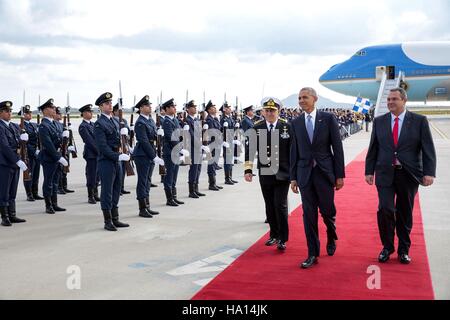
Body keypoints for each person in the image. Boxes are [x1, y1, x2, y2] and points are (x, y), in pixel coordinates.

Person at [365, 87, 436, 264]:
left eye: (394, 99)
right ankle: (387, 247)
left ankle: (404, 249)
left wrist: (429, 173)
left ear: (404, 101)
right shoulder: (379, 121)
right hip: (384, 173)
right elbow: (373, 147)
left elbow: (428, 148)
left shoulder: (419, 121)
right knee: (385, 209)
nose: (390, 102)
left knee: (405, 212)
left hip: (409, 174)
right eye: (388, 100)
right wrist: (368, 170)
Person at [290, 87, 345, 269]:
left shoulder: (328, 119)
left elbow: (337, 148)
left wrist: (339, 175)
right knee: (309, 214)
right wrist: (293, 177)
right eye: (299, 98)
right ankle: (312, 252)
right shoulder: (296, 122)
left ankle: (331, 233)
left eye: (304, 97)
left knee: (328, 212)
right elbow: (294, 151)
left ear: (315, 98)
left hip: (324, 173)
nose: (301, 100)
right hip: (305, 174)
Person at [245, 97, 292, 251]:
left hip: (283, 173)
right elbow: (250, 150)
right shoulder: (256, 127)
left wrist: (294, 173)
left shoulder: (286, 126)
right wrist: (248, 170)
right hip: (265, 173)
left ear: (278, 111)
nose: (270, 113)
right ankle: (274, 234)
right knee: (270, 205)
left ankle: (283, 239)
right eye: (267, 110)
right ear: (263, 112)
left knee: (280, 205)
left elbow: (293, 151)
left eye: (273, 110)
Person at [94, 92, 130, 231]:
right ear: (101, 106)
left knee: (116, 190)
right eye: (107, 103)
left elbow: (119, 140)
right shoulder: (99, 124)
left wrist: (126, 144)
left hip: (117, 160)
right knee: (107, 191)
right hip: (106, 161)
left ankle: (116, 218)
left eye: (110, 103)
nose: (110, 105)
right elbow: (102, 147)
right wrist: (117, 156)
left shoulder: (115, 121)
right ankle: (107, 220)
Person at [133, 95, 163, 217]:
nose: (150, 107)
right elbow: (144, 141)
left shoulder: (150, 120)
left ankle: (147, 206)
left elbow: (152, 138)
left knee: (148, 181)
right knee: (142, 181)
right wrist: (153, 156)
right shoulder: (140, 122)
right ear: (141, 108)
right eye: (147, 105)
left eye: (150, 105)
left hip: (150, 153)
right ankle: (142, 208)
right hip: (142, 154)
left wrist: (159, 135)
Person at [38, 99, 69, 214]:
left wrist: (65, 137)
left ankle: (55, 203)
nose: (54, 109)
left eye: (54, 107)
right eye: (52, 107)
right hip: (49, 158)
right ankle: (48, 205)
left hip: (57, 156)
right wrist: (58, 157)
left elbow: (59, 141)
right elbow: (48, 144)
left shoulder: (55, 123)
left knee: (56, 181)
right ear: (45, 110)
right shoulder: (43, 126)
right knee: (48, 182)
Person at [0, 101, 27, 226]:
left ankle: (12, 214)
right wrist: (17, 160)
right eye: (7, 111)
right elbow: (4, 147)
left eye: (10, 111)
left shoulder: (14, 126)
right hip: (5, 164)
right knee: (4, 191)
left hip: (15, 163)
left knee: (12, 190)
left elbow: (19, 143)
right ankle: (4, 217)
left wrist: (25, 137)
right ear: (0, 113)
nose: (10, 113)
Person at [161, 99, 187, 207]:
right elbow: (170, 137)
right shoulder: (166, 121)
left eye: (175, 106)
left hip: (176, 152)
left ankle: (174, 197)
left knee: (174, 175)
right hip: (170, 152)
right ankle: (169, 199)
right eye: (172, 106)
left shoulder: (175, 120)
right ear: (167, 109)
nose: (174, 108)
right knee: (169, 176)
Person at [19, 105, 44, 201]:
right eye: (27, 113)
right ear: (23, 115)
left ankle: (35, 192)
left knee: (36, 174)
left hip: (37, 153)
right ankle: (29, 194)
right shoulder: (21, 126)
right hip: (28, 154)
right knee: (29, 174)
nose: (30, 114)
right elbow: (25, 143)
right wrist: (34, 151)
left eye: (30, 113)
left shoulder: (34, 125)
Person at [185, 100, 208, 199]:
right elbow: (191, 135)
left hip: (198, 147)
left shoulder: (196, 120)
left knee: (198, 169)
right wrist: (200, 145)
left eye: (195, 106)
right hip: (193, 148)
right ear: (188, 109)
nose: (195, 108)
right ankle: (191, 191)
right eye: (193, 107)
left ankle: (196, 189)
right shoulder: (187, 121)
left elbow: (199, 135)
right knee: (194, 169)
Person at [78, 104, 100, 204]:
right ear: (84, 113)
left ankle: (96, 194)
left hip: (97, 153)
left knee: (97, 175)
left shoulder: (92, 124)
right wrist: (100, 151)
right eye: (89, 112)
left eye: (91, 111)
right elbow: (89, 141)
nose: (91, 113)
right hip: (91, 153)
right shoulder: (83, 126)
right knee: (91, 175)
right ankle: (90, 196)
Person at [113, 103, 132, 195]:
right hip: (119, 147)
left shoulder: (124, 120)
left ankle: (122, 187)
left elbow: (127, 132)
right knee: (119, 169)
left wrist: (128, 133)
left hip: (125, 145)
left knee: (124, 168)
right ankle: (118, 188)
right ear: (115, 111)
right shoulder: (112, 120)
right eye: (120, 110)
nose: (122, 112)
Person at [205, 101, 223, 191]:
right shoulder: (209, 120)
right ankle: (211, 184)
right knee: (211, 164)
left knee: (214, 164)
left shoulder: (215, 119)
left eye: (215, 107)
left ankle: (214, 183)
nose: (215, 109)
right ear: (208, 110)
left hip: (217, 144)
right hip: (212, 145)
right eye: (212, 108)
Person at [220, 102, 238, 185]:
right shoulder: (223, 119)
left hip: (231, 141)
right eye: (228, 108)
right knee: (227, 160)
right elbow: (221, 131)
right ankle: (227, 178)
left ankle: (230, 177)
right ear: (225, 110)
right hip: (226, 142)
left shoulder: (230, 118)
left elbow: (232, 130)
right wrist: (223, 141)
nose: (230, 109)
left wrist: (236, 126)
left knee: (230, 160)